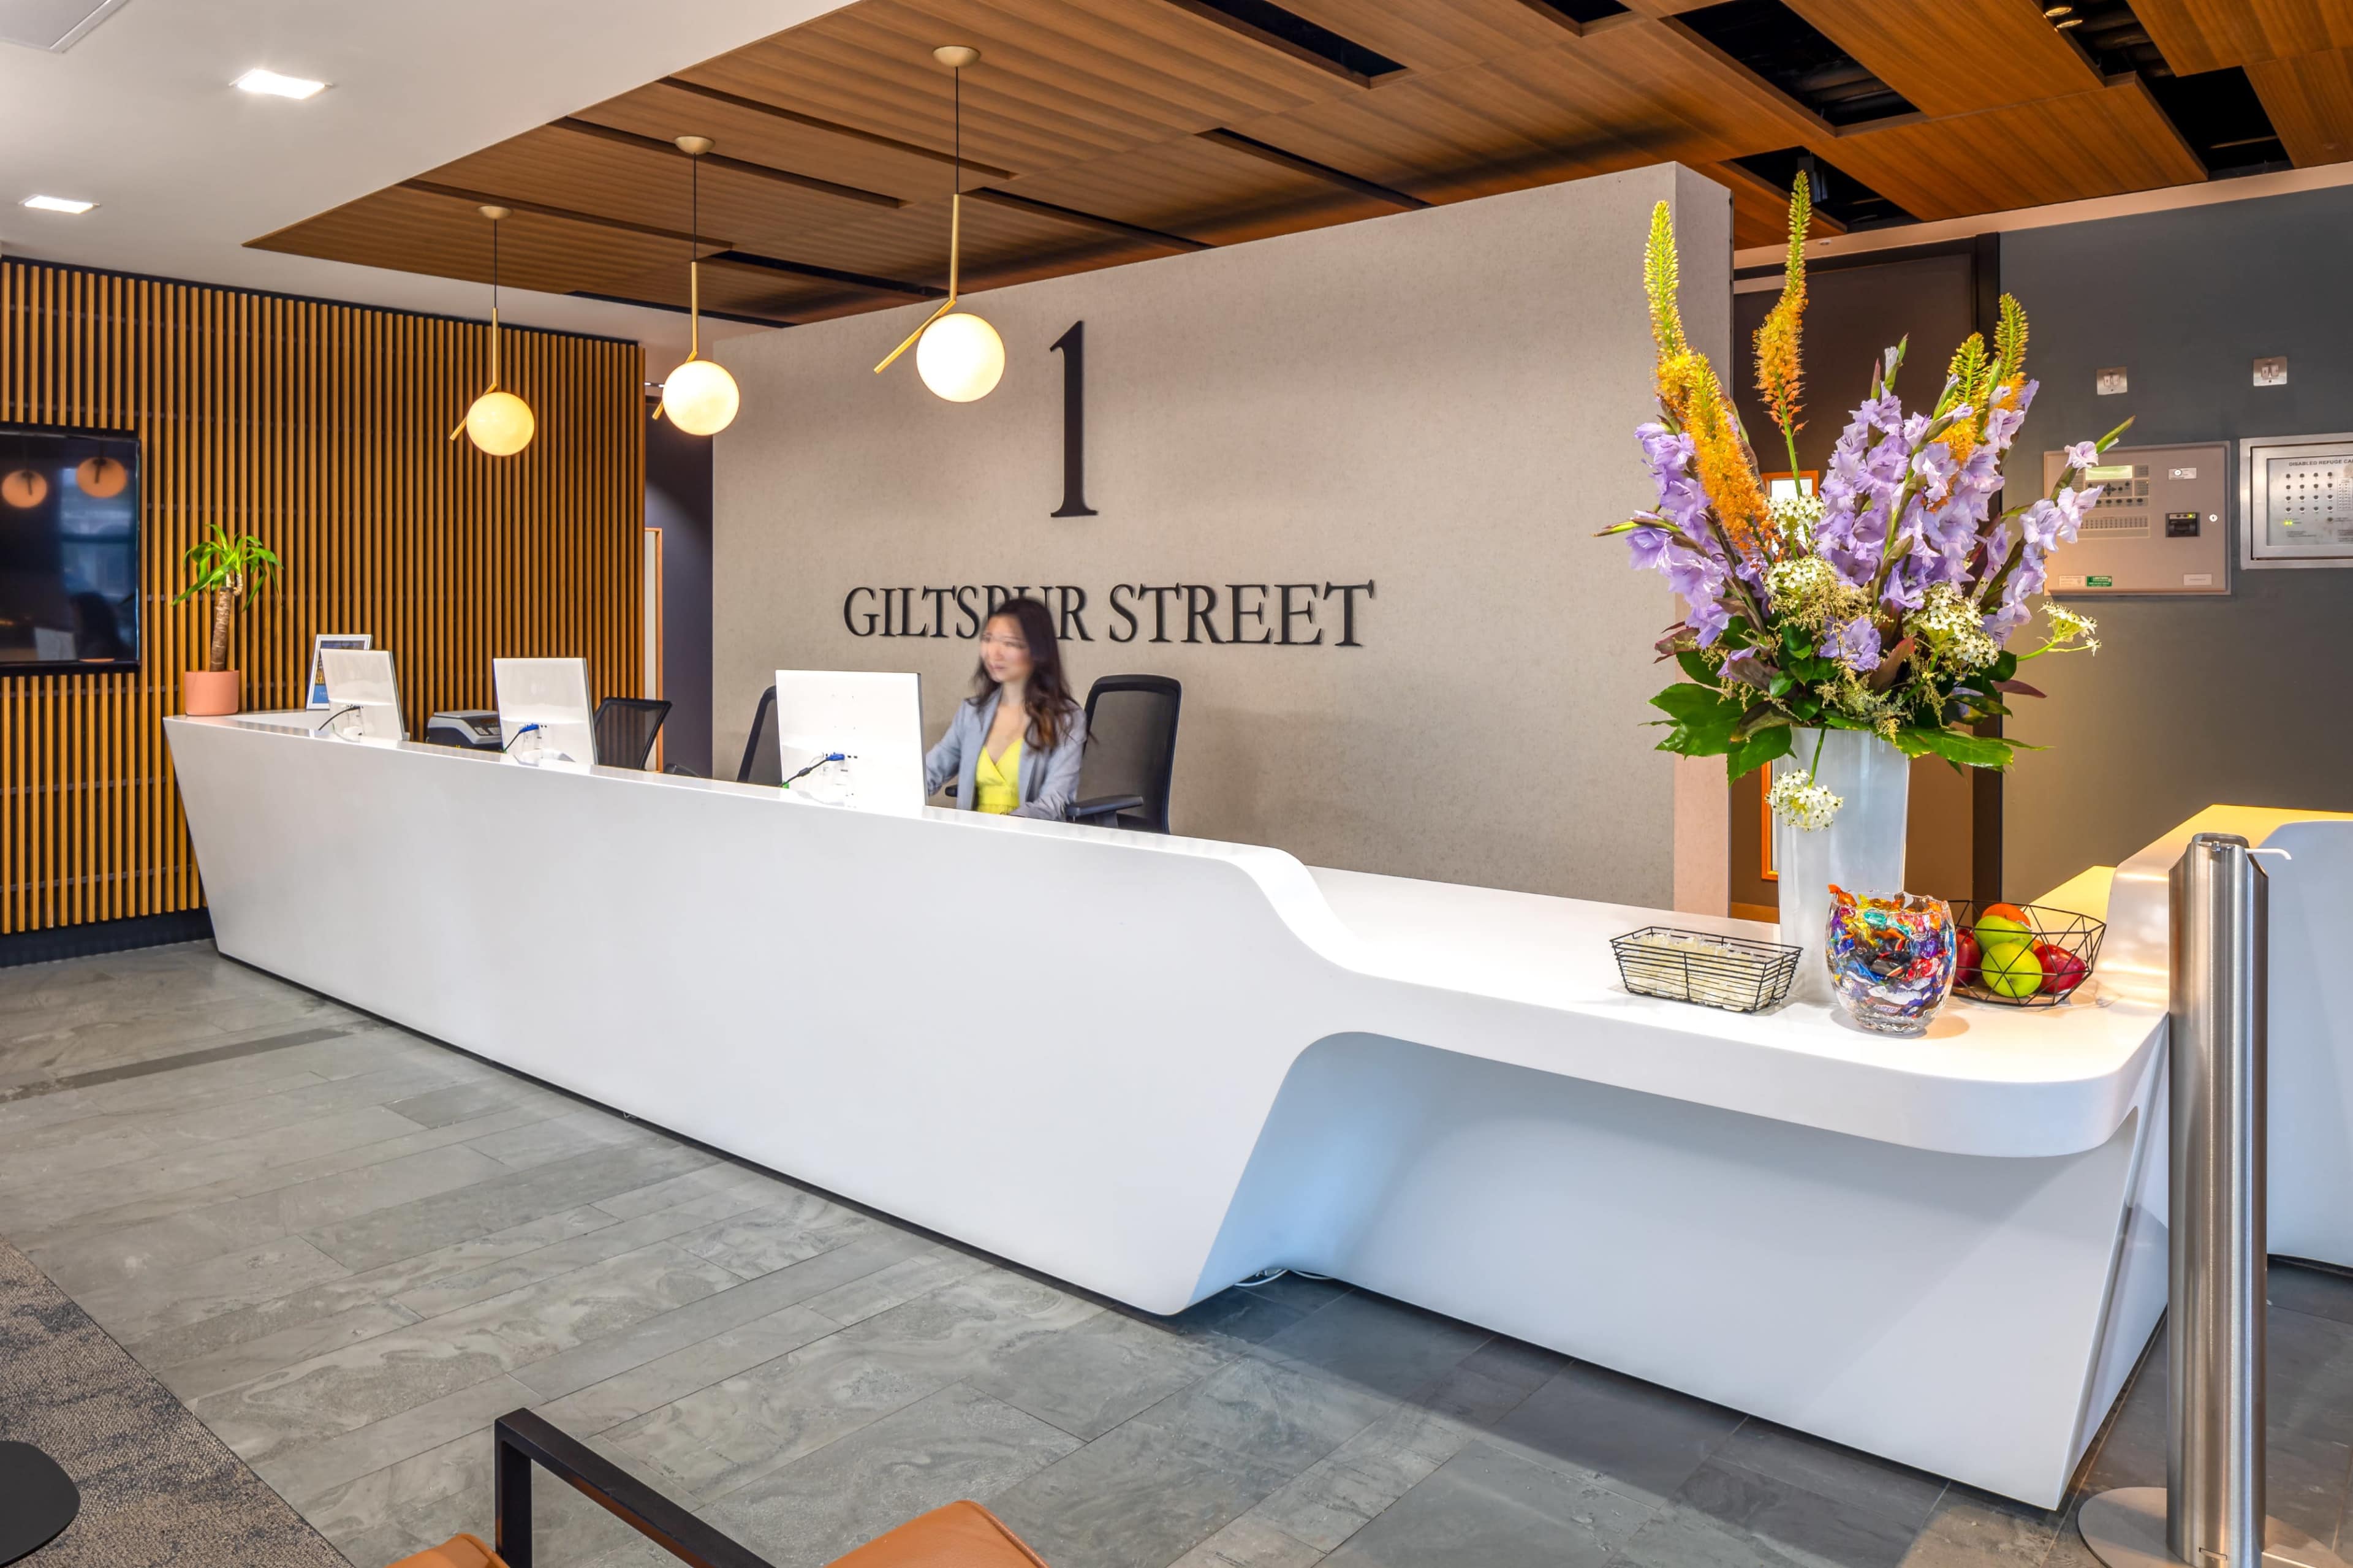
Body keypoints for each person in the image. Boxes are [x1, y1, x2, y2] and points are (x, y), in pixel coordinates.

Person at [924, 597, 1086, 820]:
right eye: (988, 639)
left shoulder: (1066, 719)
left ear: (1037, 651)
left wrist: (1004, 829)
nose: (994, 653)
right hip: (969, 842)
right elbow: (930, 773)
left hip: (1027, 843)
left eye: (1009, 643)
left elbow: (1053, 802)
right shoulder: (972, 713)